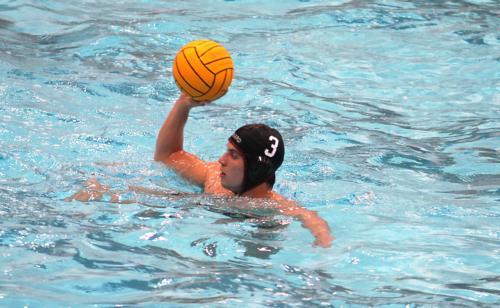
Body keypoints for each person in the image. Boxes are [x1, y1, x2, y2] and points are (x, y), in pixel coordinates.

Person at [153, 93, 334, 247]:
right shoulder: (214, 177)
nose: (221, 160)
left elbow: (310, 218)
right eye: (227, 151)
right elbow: (168, 155)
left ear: (255, 168)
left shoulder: (271, 208)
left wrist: (323, 244)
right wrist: (183, 104)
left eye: (233, 155)